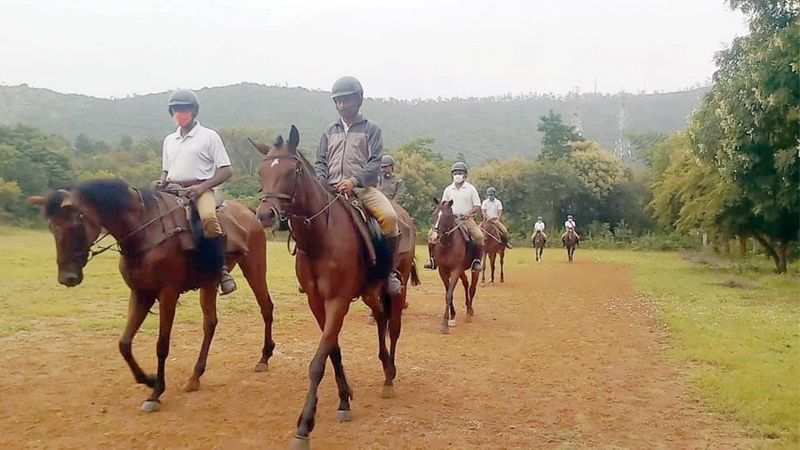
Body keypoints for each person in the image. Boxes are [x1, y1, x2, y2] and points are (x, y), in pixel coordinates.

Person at [315, 76, 402, 295]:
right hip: (331, 190)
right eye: (338, 101)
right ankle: (310, 271)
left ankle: (389, 271)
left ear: (359, 100)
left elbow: (374, 163)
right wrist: (322, 182)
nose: (342, 105)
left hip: (363, 190)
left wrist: (354, 181)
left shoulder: (372, 129)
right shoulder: (328, 131)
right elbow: (320, 162)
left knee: (390, 218)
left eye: (347, 100)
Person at [157, 89, 236, 295]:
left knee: (208, 218)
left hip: (202, 189)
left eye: (185, 109)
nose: (180, 113)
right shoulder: (169, 140)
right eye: (176, 109)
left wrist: (202, 187)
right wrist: (161, 181)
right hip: (173, 190)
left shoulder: (209, 136)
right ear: (171, 112)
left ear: (194, 111)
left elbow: (226, 170)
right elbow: (167, 170)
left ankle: (221, 269)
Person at [424, 162, 484, 271]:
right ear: (452, 175)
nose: (457, 175)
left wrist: (468, 213)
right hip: (449, 219)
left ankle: (476, 261)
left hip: (465, 219)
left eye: (460, 173)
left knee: (479, 236)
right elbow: (443, 205)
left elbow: (477, 206)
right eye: (455, 173)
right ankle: (432, 260)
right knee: (430, 235)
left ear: (465, 175)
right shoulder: (448, 189)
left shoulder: (471, 189)